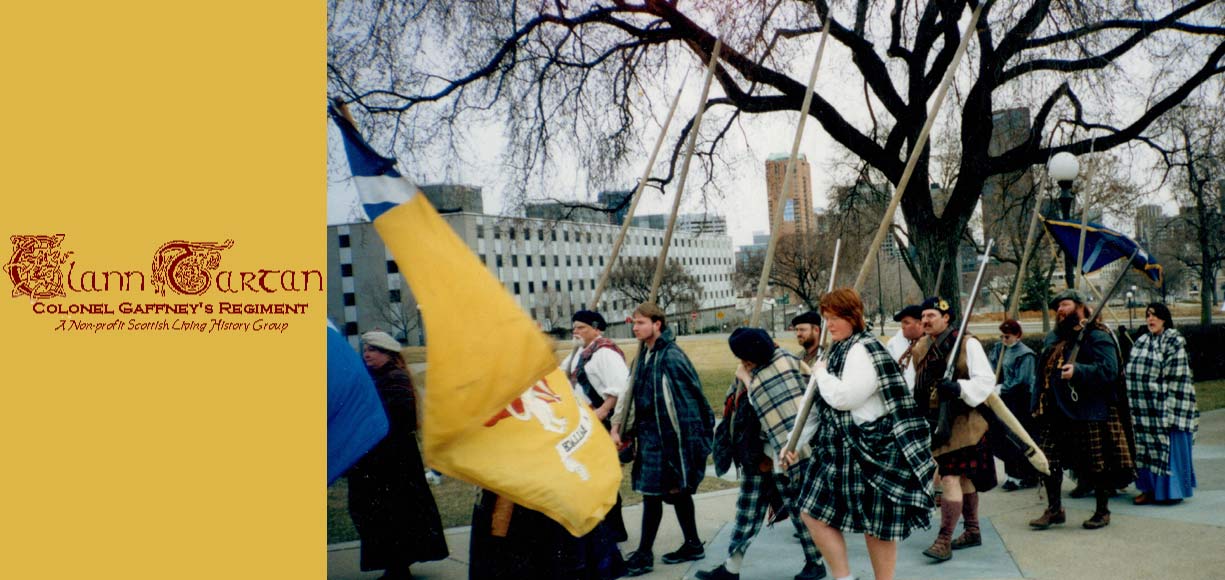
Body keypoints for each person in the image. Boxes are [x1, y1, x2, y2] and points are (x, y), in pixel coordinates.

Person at [786, 288, 934, 580]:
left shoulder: (864, 349)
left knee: (876, 526)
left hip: (872, 449)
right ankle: (843, 578)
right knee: (811, 513)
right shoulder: (837, 348)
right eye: (827, 318)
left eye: (837, 317)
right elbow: (813, 404)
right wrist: (794, 442)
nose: (831, 324)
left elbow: (846, 398)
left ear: (853, 316)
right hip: (837, 448)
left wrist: (821, 373)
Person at [697, 328, 827, 580]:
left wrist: (747, 380)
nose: (742, 362)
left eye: (745, 357)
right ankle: (731, 568)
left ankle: (816, 562)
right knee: (747, 511)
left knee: (800, 512)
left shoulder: (783, 363)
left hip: (787, 456)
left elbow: (785, 407)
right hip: (756, 454)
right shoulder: (754, 368)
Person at [612, 303, 715, 576]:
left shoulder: (670, 356)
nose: (635, 327)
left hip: (670, 440)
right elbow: (631, 396)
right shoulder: (642, 355)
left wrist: (690, 445)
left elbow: (690, 401)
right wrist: (622, 428)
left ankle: (646, 554)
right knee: (666, 494)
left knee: (659, 494)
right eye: (634, 323)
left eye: (641, 322)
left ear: (658, 324)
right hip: (649, 437)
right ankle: (692, 544)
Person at [1029, 290, 1135, 531]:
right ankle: (1055, 509)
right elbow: (1042, 373)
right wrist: (1037, 403)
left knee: (1096, 463)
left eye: (1065, 304)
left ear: (1081, 307)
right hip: (1056, 410)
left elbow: (1110, 369)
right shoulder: (1054, 338)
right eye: (1057, 307)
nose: (1060, 310)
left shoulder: (1098, 334)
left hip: (1088, 409)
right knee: (1048, 460)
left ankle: (1102, 511)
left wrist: (1079, 371)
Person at [347, 331, 448, 580]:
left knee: (394, 513)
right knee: (376, 512)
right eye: (366, 349)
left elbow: (395, 419)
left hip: (392, 460)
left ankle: (398, 566)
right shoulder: (375, 378)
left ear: (388, 354)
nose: (367, 353)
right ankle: (395, 564)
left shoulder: (396, 379)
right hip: (377, 458)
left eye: (373, 349)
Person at [911, 296, 996, 562]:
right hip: (937, 422)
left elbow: (986, 382)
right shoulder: (921, 347)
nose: (925, 320)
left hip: (965, 422)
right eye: (923, 316)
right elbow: (916, 384)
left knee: (949, 478)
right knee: (963, 479)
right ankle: (972, 530)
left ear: (946, 318)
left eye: (931, 316)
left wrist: (959, 388)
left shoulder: (967, 344)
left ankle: (944, 539)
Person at [561, 309, 630, 540]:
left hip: (602, 423)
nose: (575, 331)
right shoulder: (580, 352)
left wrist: (602, 411)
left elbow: (620, 387)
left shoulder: (605, 353)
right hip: (584, 424)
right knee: (590, 477)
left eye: (581, 327)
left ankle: (614, 531)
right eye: (574, 327)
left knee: (603, 478)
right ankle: (602, 530)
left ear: (596, 328)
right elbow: (561, 374)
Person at [1125, 302, 1198, 505]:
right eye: (1148, 315)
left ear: (1164, 319)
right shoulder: (1141, 342)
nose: (1150, 319)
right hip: (1144, 408)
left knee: (1168, 449)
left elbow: (1177, 377)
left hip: (1169, 406)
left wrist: (1160, 397)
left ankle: (1171, 492)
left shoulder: (1174, 341)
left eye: (1155, 315)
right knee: (1145, 449)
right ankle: (1148, 490)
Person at [987, 319, 1040, 491]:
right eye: (1002, 336)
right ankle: (1015, 474)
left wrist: (1003, 387)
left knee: (1018, 438)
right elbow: (991, 367)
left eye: (1007, 337)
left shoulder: (1026, 354)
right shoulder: (999, 348)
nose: (1004, 340)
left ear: (1017, 335)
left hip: (1020, 400)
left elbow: (1023, 379)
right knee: (1003, 437)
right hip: (1003, 398)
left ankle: (1024, 475)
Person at [885, 304, 924, 392]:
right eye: (902, 323)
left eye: (906, 322)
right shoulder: (894, 344)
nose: (902, 326)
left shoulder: (930, 345)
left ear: (920, 324)